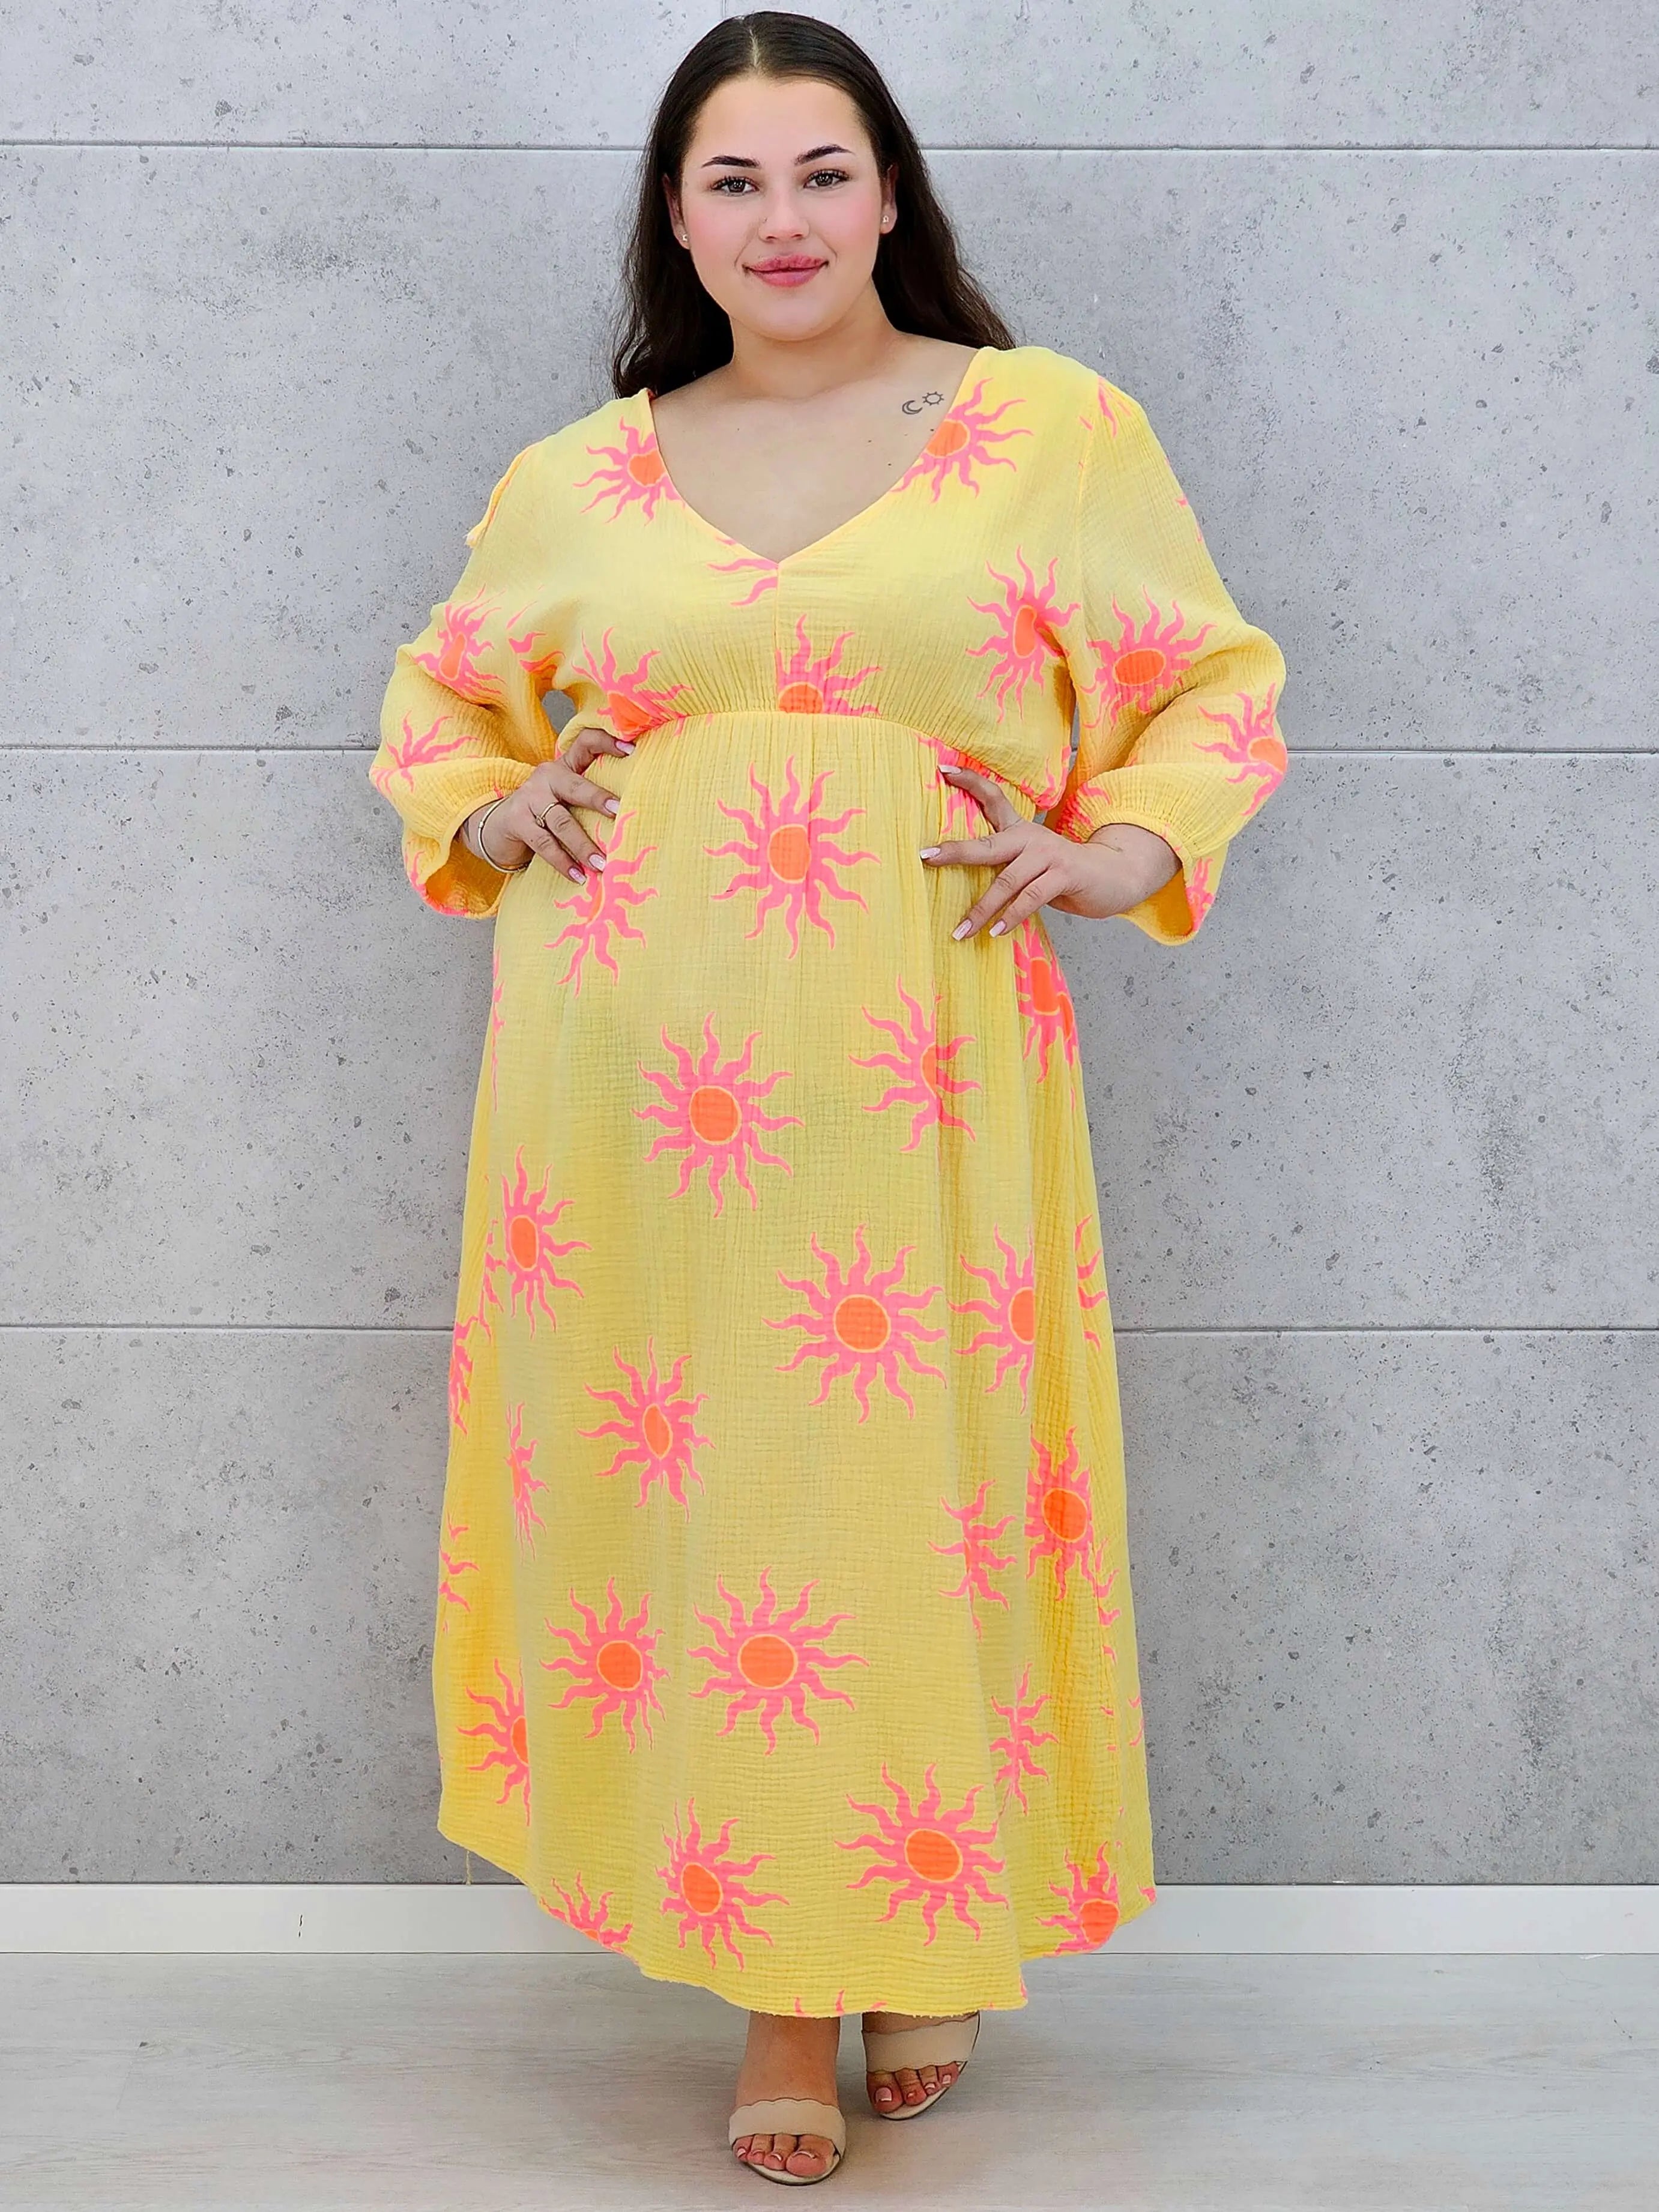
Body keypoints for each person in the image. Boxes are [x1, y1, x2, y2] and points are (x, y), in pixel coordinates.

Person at [368, 8, 1287, 2187]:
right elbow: (442, 707)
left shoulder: (1047, 426)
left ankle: (903, 1912)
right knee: (721, 1505)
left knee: (879, 1487)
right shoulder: (574, 476)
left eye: (819, 172)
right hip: (628, 1080)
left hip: (917, 1053)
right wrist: (495, 808)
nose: (778, 219)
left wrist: (1122, 848)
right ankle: (795, 1974)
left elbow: (1207, 678)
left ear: (888, 196)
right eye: (731, 180)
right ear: (675, 219)